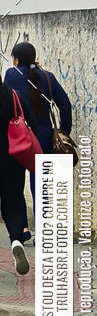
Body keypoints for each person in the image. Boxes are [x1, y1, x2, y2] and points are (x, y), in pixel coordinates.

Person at [5, 41, 72, 239]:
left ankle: (23, 229)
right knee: (40, 185)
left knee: (16, 184)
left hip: (18, 138)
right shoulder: (47, 77)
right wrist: (63, 132)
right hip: (42, 139)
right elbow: (65, 105)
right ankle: (43, 232)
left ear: (16, 60)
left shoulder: (11, 74)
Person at [0, 78, 36, 274]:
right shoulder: (14, 96)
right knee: (13, 202)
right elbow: (32, 125)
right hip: (13, 160)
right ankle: (16, 241)